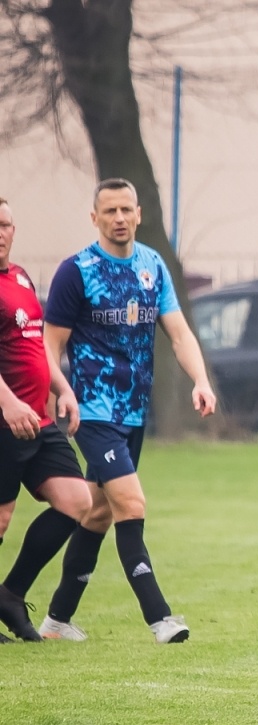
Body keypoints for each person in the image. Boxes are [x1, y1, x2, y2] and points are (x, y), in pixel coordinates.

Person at [36, 178, 215, 644]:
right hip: (92, 412)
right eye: (109, 211)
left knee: (96, 514)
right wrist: (55, 393)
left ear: (138, 214)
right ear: (94, 218)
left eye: (126, 210)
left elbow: (179, 333)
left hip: (134, 414)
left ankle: (56, 622)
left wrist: (200, 380)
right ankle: (161, 619)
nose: (119, 218)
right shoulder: (77, 271)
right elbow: (49, 344)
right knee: (131, 505)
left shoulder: (153, 266)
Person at [0, 197, 92, 643]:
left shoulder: (18, 277)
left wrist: (63, 388)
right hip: (6, 421)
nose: (1, 232)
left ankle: (11, 594)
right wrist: (7, 402)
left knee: (77, 501)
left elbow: (36, 347)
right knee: (1, 518)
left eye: (6, 224)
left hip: (38, 419)